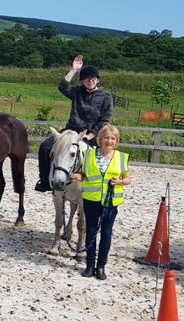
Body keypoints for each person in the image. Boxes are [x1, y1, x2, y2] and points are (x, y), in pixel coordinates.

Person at [35, 54, 113, 192]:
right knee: (45, 146)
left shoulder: (106, 96)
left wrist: (91, 135)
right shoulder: (77, 91)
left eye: (93, 78)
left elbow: (105, 120)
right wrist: (73, 70)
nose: (90, 81)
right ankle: (44, 181)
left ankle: (100, 185)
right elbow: (62, 87)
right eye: (86, 79)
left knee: (103, 156)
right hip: (71, 130)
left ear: (98, 80)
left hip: (92, 134)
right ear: (82, 81)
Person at [70, 124, 130, 280]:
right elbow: (84, 174)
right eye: (106, 138)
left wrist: (120, 182)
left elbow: (128, 178)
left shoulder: (121, 157)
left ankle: (101, 266)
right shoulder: (89, 155)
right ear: (100, 139)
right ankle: (90, 265)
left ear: (116, 141)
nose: (109, 141)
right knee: (90, 231)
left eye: (112, 138)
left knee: (106, 233)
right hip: (92, 200)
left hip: (111, 201)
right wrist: (78, 177)